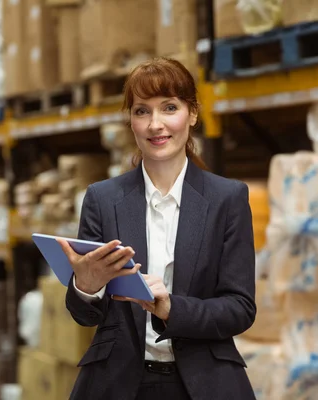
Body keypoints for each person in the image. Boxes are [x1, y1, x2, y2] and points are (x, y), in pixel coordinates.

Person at [57, 57, 256, 400]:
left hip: (204, 384)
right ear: (131, 122)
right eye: (141, 111)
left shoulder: (228, 199)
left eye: (169, 107)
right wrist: (86, 287)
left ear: (192, 113)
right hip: (119, 383)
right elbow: (85, 315)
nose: (155, 124)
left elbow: (240, 308)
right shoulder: (102, 199)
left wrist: (170, 308)